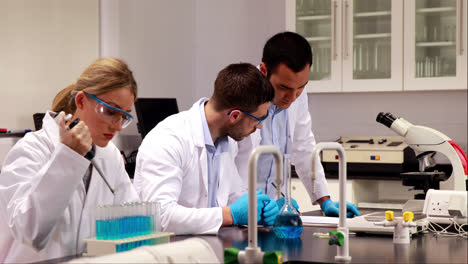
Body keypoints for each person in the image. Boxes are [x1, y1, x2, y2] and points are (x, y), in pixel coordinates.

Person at [0, 58, 140, 263]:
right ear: (81, 101)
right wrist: (68, 157)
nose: (118, 126)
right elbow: (31, 232)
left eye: (124, 116)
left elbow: (131, 219)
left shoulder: (110, 156)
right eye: (110, 111)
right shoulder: (32, 149)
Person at [133, 63, 278, 235]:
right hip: (167, 253)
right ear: (235, 116)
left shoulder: (227, 141)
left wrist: (260, 208)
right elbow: (161, 217)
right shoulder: (168, 140)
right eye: (257, 120)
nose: (259, 127)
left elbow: (233, 196)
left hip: (207, 247)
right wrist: (229, 215)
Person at [235, 32, 360, 218]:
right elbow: (226, 166)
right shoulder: (240, 92)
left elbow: (303, 146)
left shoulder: (294, 90)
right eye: (284, 88)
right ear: (263, 70)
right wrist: (241, 209)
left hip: (276, 212)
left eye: (300, 87)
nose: (293, 97)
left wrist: (324, 200)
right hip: (241, 212)